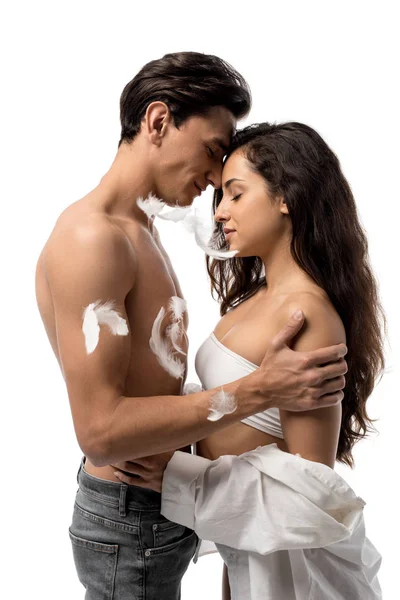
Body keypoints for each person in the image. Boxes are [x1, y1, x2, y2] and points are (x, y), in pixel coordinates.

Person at [35, 51, 347, 600]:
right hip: (129, 516)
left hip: (160, 513)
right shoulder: (95, 240)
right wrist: (258, 390)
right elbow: (100, 432)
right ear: (158, 122)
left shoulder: (141, 232)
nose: (212, 180)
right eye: (211, 152)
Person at [114, 122, 384, 599]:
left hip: (296, 579)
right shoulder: (256, 300)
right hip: (250, 556)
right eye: (219, 197)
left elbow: (311, 499)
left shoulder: (307, 315)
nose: (219, 212)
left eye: (235, 195)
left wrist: (179, 479)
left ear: (286, 197)